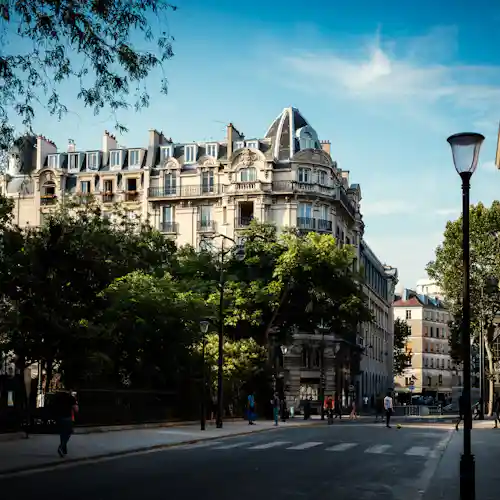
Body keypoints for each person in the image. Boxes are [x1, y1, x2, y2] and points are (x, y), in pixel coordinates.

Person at [52, 389, 78, 457]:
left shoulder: (58, 397)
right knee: (69, 432)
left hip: (59, 417)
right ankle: (61, 446)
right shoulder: (71, 398)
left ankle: (64, 450)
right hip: (67, 417)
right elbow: (76, 409)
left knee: (62, 433)